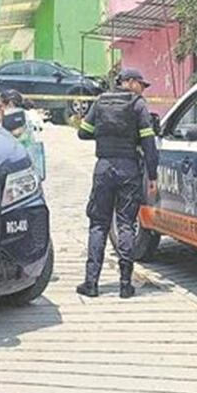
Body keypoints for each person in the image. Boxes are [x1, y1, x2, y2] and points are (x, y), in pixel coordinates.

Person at [76, 67, 158, 299]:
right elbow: (149, 144)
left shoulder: (100, 101)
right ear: (130, 82)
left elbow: (83, 132)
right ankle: (125, 284)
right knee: (125, 224)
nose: (142, 89)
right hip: (129, 169)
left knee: (98, 224)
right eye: (141, 84)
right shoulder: (138, 105)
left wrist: (104, 134)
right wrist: (153, 176)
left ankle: (91, 283)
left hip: (103, 168)